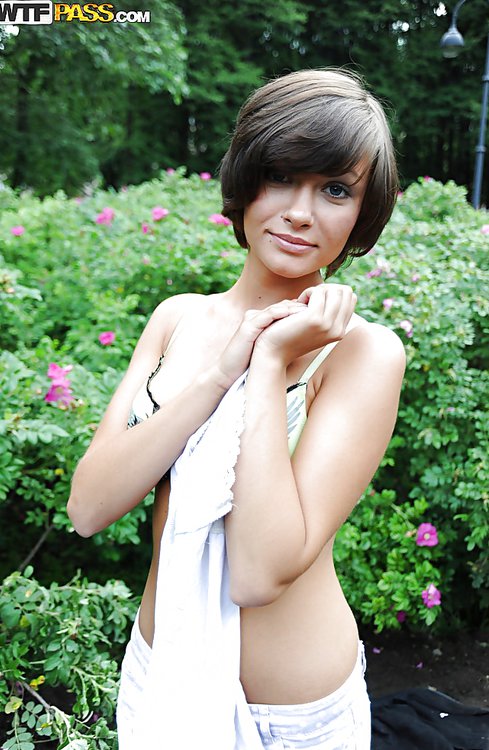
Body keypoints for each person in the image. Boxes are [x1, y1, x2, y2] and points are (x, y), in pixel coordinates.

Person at [67, 68, 406, 749]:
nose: (301, 212)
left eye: (335, 189)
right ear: (244, 179)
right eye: (280, 176)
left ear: (362, 214)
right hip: (160, 683)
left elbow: (256, 573)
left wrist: (269, 363)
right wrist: (221, 372)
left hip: (292, 721)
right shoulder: (177, 320)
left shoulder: (362, 353)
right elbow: (89, 508)